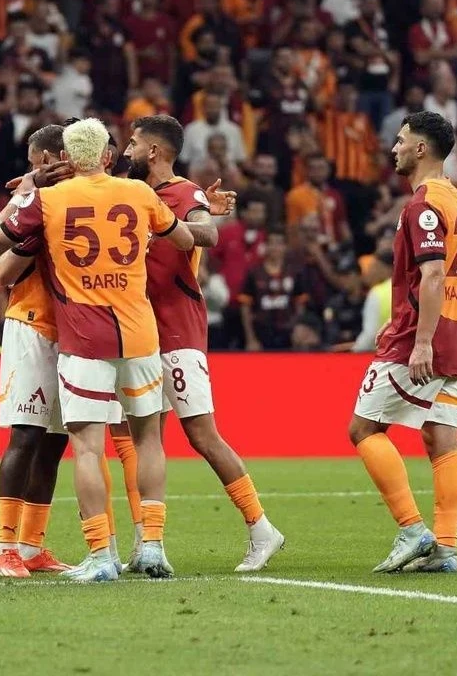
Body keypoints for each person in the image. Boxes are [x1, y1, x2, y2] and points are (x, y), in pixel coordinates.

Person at [0, 118, 195, 582]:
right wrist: (196, 215)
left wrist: (29, 195)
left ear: (66, 158)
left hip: (80, 337)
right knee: (36, 437)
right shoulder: (130, 194)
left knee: (70, 444)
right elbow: (185, 238)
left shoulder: (48, 201)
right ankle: (11, 546)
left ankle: (54, 548)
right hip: (68, 328)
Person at [120, 115, 285, 572]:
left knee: (202, 435)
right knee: (143, 438)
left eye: (133, 144)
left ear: (154, 151)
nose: (127, 151)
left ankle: (262, 529)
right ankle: (147, 543)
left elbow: (208, 233)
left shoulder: (184, 192)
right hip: (140, 331)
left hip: (177, 330)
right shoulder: (133, 192)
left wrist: (172, 220)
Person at [347, 111, 457, 574]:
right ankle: (446, 549)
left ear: (421, 148)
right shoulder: (453, 196)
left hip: (426, 338)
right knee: (442, 438)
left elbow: (434, 273)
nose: (393, 148)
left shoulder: (422, 206)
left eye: (401, 141)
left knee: (363, 429)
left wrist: (420, 341)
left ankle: (412, 529)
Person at [0, 125, 77, 578]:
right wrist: (24, 194)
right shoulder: (34, 202)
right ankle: (4, 547)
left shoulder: (84, 199)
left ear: (47, 158)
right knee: (26, 435)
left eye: (32, 160)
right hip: (33, 325)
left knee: (55, 442)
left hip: (77, 334)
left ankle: (31, 546)